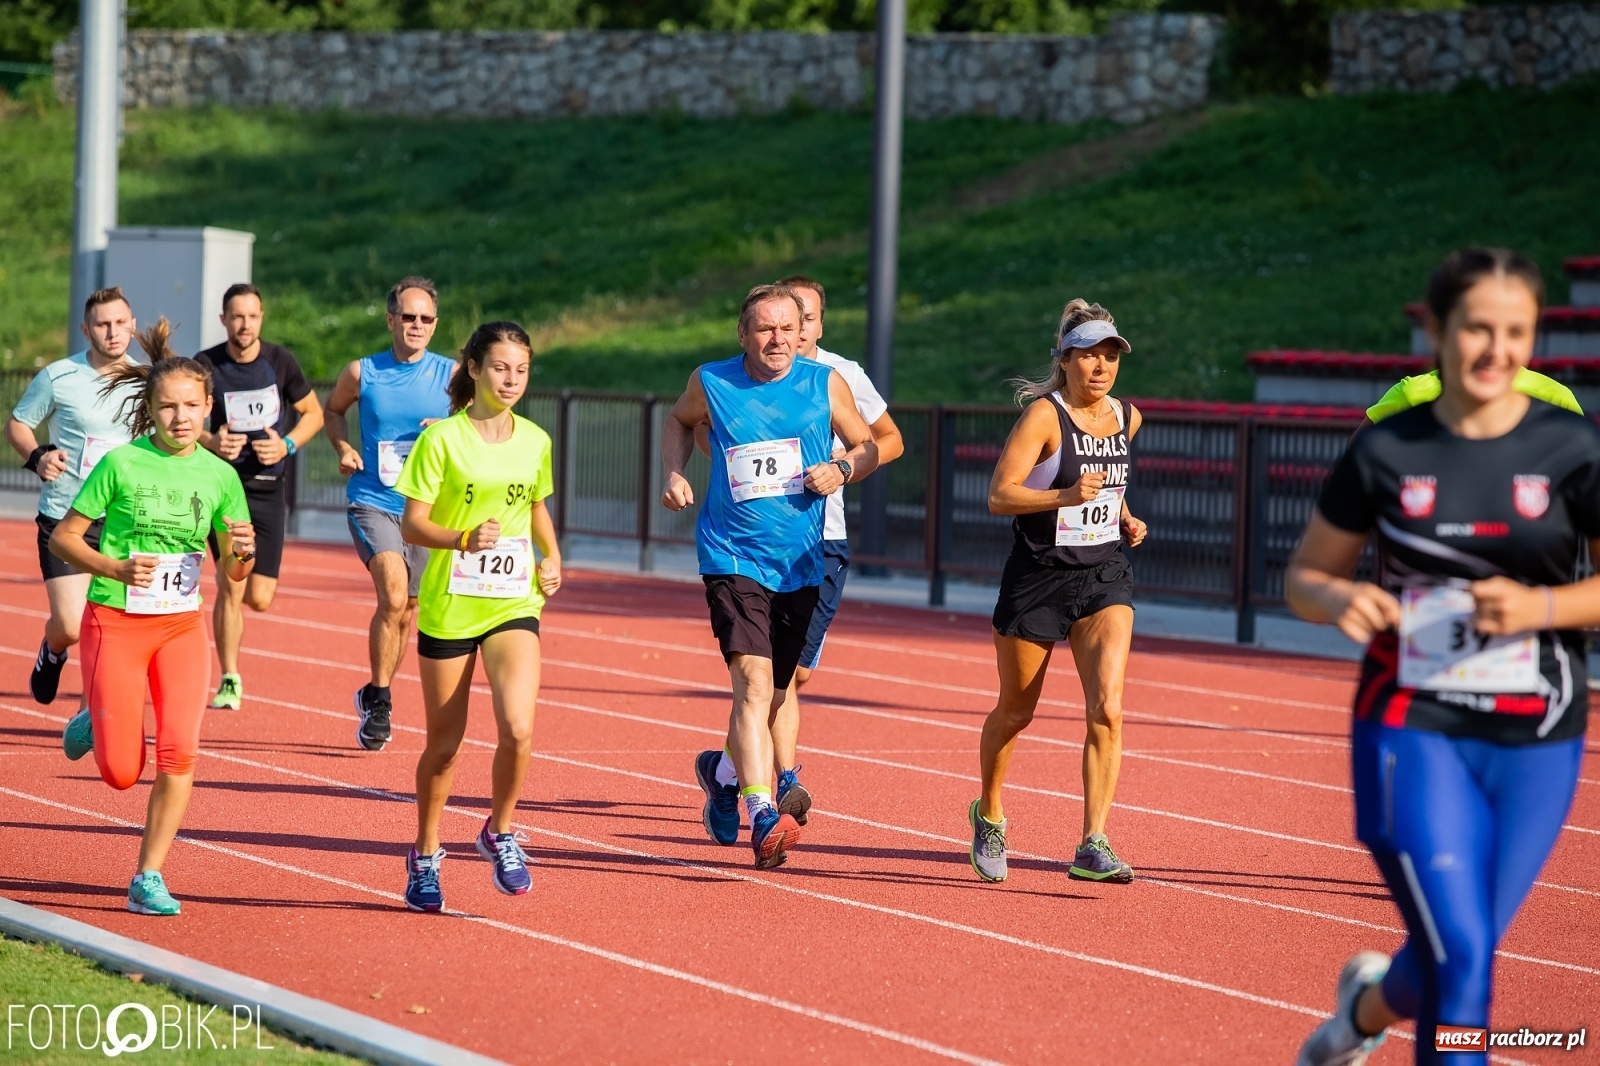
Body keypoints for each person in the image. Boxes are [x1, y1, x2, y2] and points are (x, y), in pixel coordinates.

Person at [1290, 249, 1600, 1066]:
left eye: (1517, 332)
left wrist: (1540, 607)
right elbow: (1307, 575)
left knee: (1458, 949)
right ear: (1437, 329)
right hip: (1412, 721)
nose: (1496, 351)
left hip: (1539, 731)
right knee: (1463, 962)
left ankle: (1364, 1008)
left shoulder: (1569, 441)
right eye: (1477, 330)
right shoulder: (1389, 445)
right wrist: (1333, 598)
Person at [664, 283, 878, 869]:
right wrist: (674, 474)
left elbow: (869, 446)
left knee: (777, 692)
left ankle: (722, 773)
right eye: (765, 328)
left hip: (800, 561)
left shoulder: (823, 384)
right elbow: (679, 422)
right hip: (732, 556)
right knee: (753, 685)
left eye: (787, 328)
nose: (777, 339)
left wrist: (841, 468)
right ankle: (763, 812)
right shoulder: (712, 381)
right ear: (743, 335)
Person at [51, 319, 254, 916]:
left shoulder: (221, 476)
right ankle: (94, 713)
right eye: (167, 408)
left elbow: (236, 573)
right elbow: (66, 539)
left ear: (208, 407)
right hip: (116, 619)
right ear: (151, 408)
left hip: (181, 626)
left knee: (179, 752)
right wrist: (114, 570)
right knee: (119, 772)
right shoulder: (122, 464)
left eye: (191, 406)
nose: (180, 418)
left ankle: (149, 875)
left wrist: (242, 549)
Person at [967, 299, 1148, 886]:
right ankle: (989, 811)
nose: (1100, 367)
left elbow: (1109, 480)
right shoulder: (1044, 418)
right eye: (1088, 356)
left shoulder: (1127, 417)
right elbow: (1000, 496)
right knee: (1017, 711)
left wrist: (1123, 514)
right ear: (1065, 361)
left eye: (1109, 356)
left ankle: (1093, 841)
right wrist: (1065, 498)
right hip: (1038, 576)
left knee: (1109, 708)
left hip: (1103, 574)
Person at [394, 322, 560, 912]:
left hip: (514, 601)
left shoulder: (536, 440)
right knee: (445, 745)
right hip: (451, 603)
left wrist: (552, 556)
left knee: (518, 727)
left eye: (521, 369)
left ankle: (500, 830)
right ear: (473, 369)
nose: (511, 379)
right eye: (499, 368)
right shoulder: (442, 440)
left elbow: (535, 506)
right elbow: (413, 524)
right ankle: (425, 851)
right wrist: (461, 538)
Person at [323, 277, 455, 751]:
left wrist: (450, 426)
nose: (416, 325)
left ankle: (375, 690)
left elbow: (479, 424)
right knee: (394, 597)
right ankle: (381, 703)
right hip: (373, 499)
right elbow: (332, 411)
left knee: (409, 611)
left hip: (426, 508)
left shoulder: (452, 375)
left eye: (426, 319)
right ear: (391, 320)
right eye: (408, 316)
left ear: (434, 324)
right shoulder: (362, 372)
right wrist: (341, 446)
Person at [5, 288, 143, 706]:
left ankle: (92, 716)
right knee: (70, 624)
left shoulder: (147, 380)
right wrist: (38, 457)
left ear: (133, 326)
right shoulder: (59, 376)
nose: (113, 333)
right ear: (86, 330)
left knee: (109, 626)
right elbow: (18, 425)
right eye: (103, 325)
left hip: (123, 520)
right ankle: (53, 649)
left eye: (120, 323)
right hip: (66, 518)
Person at [194, 283, 323, 711]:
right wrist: (213, 442)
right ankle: (230, 678)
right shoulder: (206, 365)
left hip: (269, 490)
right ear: (224, 320)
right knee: (231, 585)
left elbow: (313, 414)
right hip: (225, 491)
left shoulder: (280, 362)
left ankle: (234, 607)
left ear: (261, 319)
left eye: (252, 316)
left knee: (259, 597)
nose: (244, 324)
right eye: (236, 316)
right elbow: (185, 419)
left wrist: (286, 445)